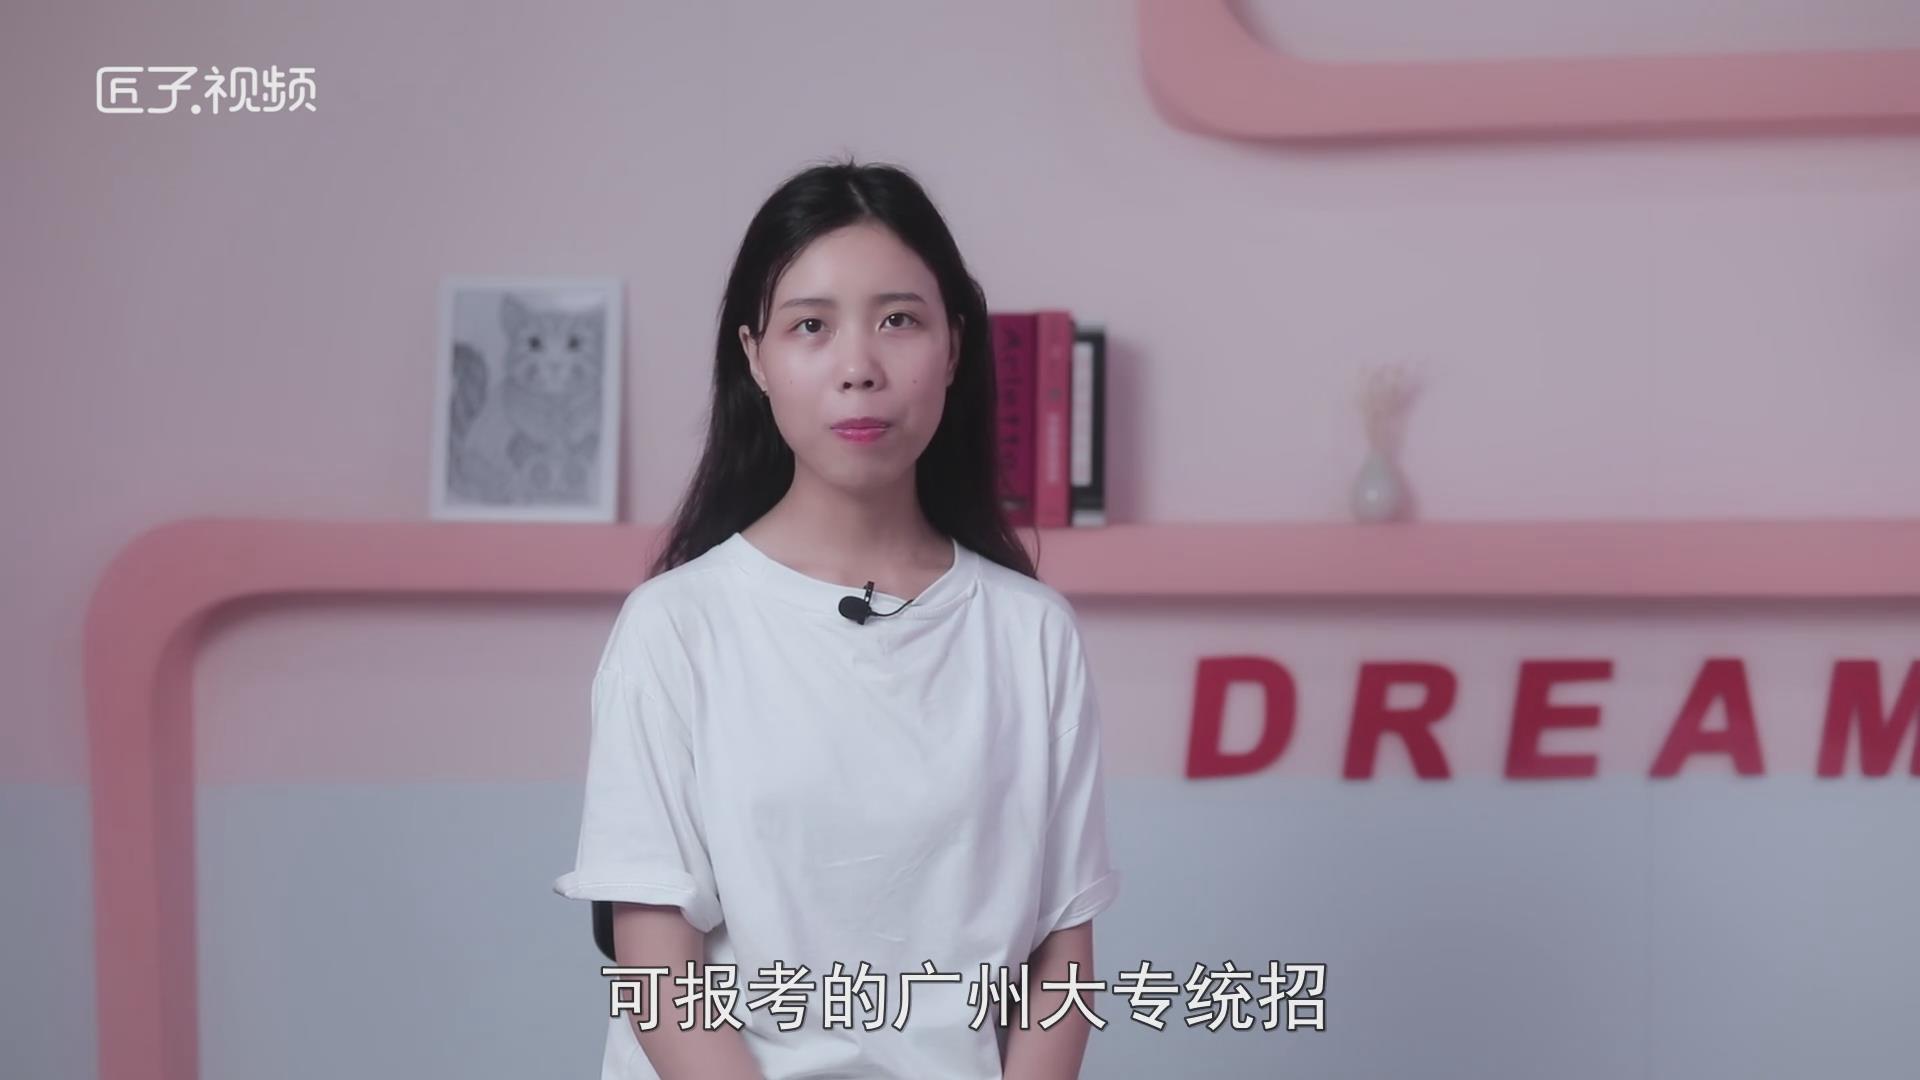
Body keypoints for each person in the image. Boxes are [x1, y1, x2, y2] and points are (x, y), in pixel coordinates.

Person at [552, 156, 1121, 1080]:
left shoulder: (1032, 635)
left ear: (954, 347)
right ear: (755, 357)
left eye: (899, 320)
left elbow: (1061, 955)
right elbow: (656, 971)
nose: (859, 369)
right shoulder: (676, 627)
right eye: (811, 326)